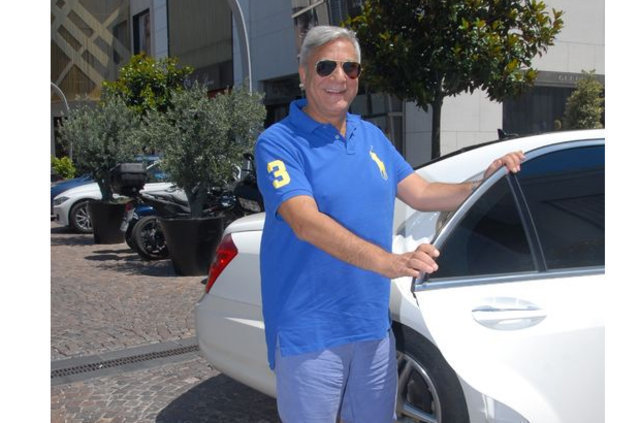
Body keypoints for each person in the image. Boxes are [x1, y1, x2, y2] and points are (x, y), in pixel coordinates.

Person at [254, 25, 525, 423]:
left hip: (371, 326)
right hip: (310, 333)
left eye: (350, 68)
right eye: (326, 66)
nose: (339, 77)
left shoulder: (371, 137)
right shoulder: (279, 142)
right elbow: (305, 222)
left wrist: (483, 182)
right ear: (304, 73)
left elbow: (422, 192)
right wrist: (391, 262)